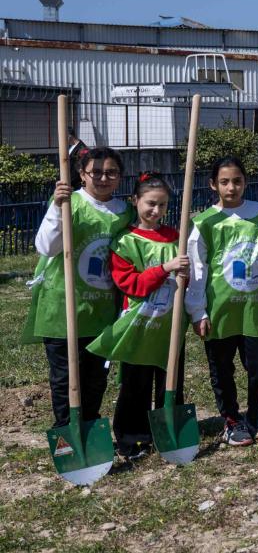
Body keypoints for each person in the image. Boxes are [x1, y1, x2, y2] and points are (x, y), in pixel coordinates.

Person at [24, 148, 130, 441]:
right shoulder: (69, 202)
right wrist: (58, 208)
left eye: (111, 172)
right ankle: (66, 435)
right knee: (64, 380)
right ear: (82, 175)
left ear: (120, 177)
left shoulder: (125, 211)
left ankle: (90, 428)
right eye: (95, 172)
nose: (103, 178)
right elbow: (46, 247)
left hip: (103, 311)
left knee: (96, 378)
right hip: (63, 307)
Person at [187, 157, 258, 446]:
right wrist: (197, 311)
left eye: (237, 181)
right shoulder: (205, 222)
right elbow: (197, 269)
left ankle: (255, 418)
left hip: (252, 308)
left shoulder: (257, 213)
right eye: (224, 182)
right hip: (219, 309)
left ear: (245, 182)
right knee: (221, 368)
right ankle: (231, 420)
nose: (231, 187)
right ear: (213, 185)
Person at [87, 173, 188, 460]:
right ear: (136, 201)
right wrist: (165, 268)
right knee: (136, 382)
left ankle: (167, 430)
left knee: (171, 379)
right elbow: (132, 284)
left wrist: (186, 274)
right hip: (139, 323)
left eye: (163, 205)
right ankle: (132, 437)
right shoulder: (124, 242)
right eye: (151, 204)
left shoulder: (175, 237)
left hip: (169, 323)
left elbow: (188, 279)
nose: (157, 211)